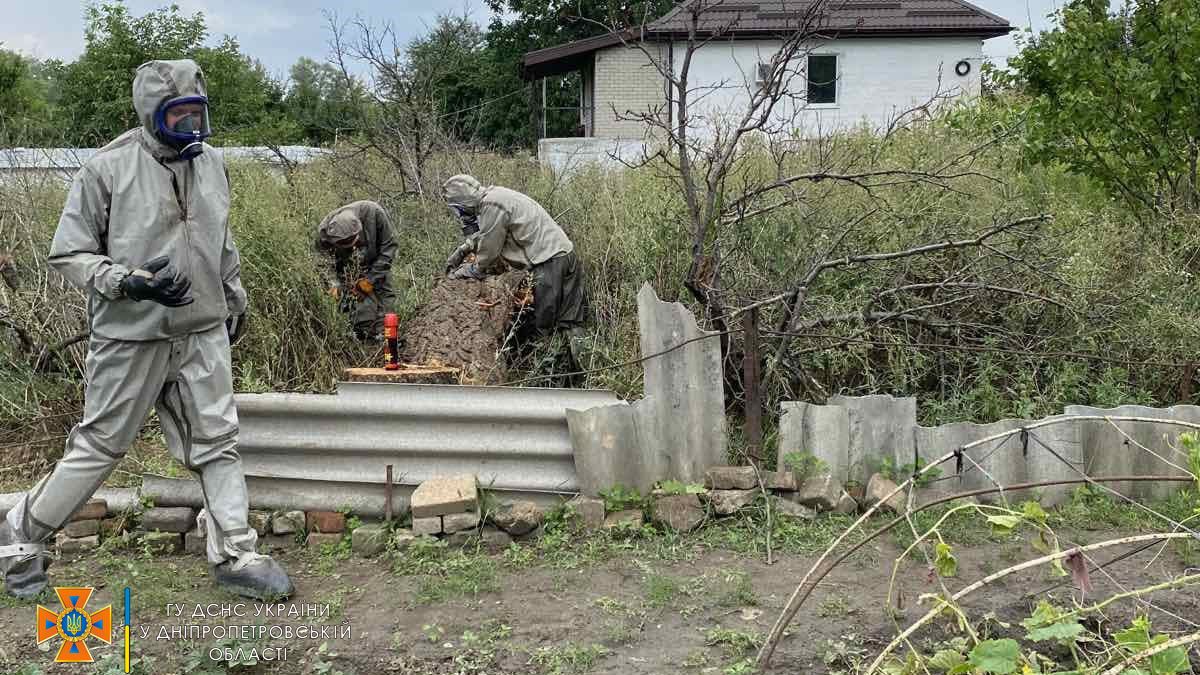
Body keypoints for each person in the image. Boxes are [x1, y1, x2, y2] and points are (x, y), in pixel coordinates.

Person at [0, 59, 292, 601]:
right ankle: (19, 535)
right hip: (130, 334)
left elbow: (219, 238)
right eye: (178, 116)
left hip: (201, 329)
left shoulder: (213, 164)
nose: (192, 128)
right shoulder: (106, 169)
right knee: (100, 445)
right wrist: (125, 282)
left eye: (198, 115)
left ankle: (235, 552)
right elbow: (68, 252)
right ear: (151, 113)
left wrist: (233, 295)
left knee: (218, 441)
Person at [442, 175, 587, 341]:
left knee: (543, 326)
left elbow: (489, 251)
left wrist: (470, 270)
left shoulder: (491, 206)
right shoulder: (495, 195)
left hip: (549, 263)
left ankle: (543, 363)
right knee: (570, 322)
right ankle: (578, 363)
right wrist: (464, 249)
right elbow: (486, 235)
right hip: (565, 254)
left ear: (463, 202)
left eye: (457, 209)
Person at [315, 200, 397, 341]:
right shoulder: (324, 233)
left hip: (377, 263)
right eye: (344, 245)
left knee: (385, 304)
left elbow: (389, 248)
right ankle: (361, 337)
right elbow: (322, 264)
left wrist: (370, 280)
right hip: (346, 269)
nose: (351, 247)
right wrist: (332, 284)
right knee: (353, 307)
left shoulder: (374, 213)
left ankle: (387, 339)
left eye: (353, 243)